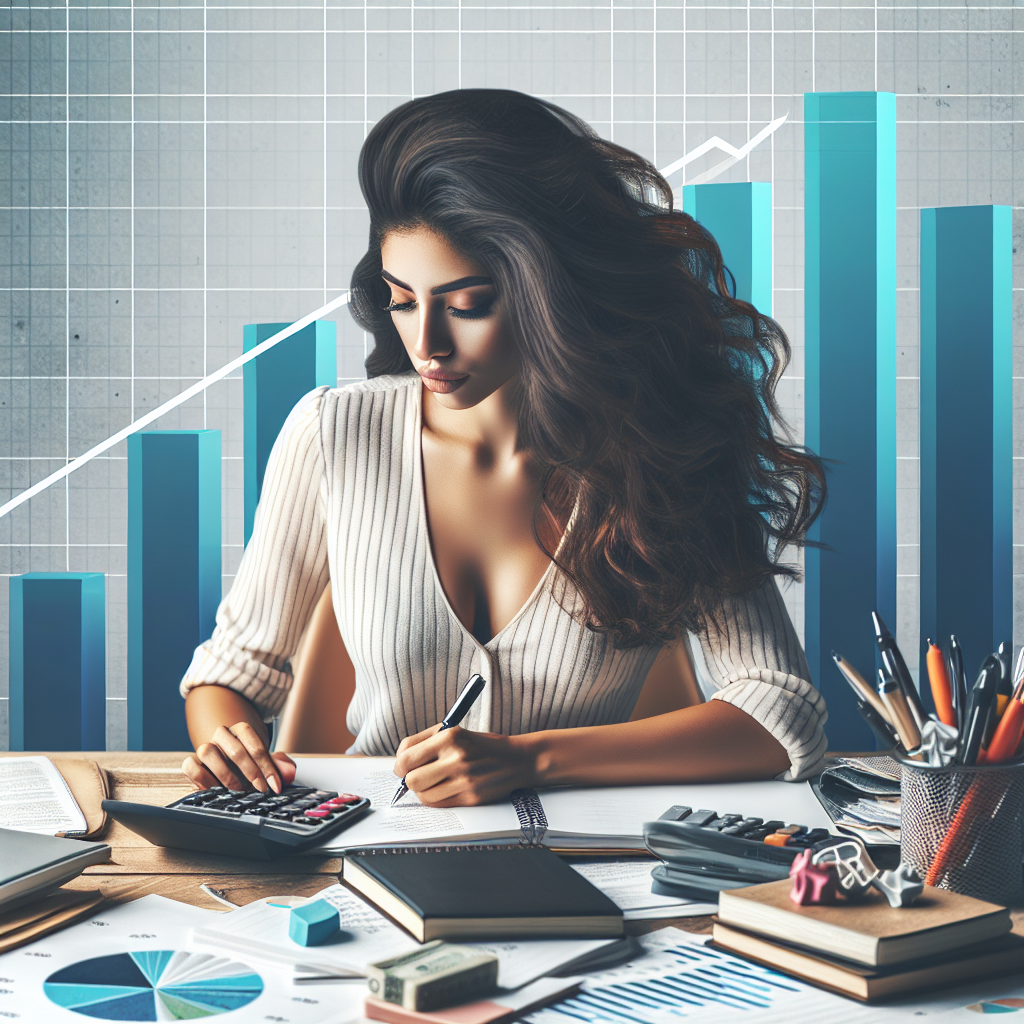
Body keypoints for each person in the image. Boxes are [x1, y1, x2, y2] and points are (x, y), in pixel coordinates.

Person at [180, 88, 828, 807]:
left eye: (467, 305)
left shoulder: (662, 449)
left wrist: (531, 761)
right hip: (370, 846)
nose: (425, 343)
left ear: (549, 291)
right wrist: (227, 740)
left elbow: (780, 709)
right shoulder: (333, 434)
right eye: (402, 299)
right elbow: (232, 675)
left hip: (589, 864)